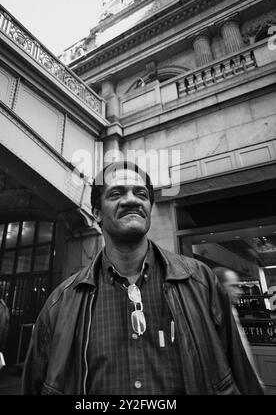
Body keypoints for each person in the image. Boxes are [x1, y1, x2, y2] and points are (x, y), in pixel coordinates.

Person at [22, 161, 264, 395]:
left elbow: (241, 374)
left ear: (148, 208)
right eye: (116, 193)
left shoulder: (200, 281)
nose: (131, 200)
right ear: (96, 213)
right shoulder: (60, 303)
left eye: (141, 193)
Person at [213, 267, 264, 388]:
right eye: (233, 286)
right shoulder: (216, 318)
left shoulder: (231, 311)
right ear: (219, 287)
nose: (240, 292)